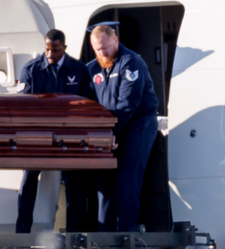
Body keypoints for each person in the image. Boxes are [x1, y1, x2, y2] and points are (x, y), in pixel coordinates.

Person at [15, 29, 97, 233]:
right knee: (29, 178)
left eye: (56, 50)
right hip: (39, 134)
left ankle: (74, 233)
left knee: (74, 180)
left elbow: (87, 103)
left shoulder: (78, 70)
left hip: (69, 134)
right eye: (47, 49)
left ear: (65, 48)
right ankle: (22, 231)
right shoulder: (32, 69)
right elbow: (22, 105)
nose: (50, 55)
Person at [86, 21, 159, 231]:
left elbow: (128, 104)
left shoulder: (131, 62)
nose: (102, 53)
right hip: (109, 130)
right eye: (97, 49)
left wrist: (111, 133)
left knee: (127, 180)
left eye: (105, 47)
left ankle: (128, 233)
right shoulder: (91, 69)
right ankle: (104, 237)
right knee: (104, 184)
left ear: (116, 40)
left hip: (138, 123)